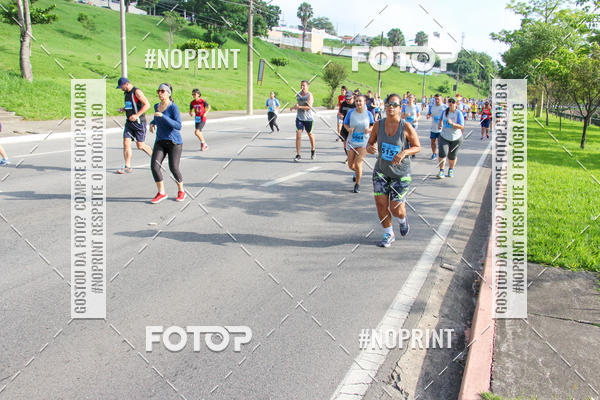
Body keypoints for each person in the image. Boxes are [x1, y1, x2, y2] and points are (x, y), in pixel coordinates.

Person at [367, 94, 421, 247]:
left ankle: (402, 220)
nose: (391, 107)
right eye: (388, 104)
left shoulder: (406, 126)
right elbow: (370, 143)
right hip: (381, 171)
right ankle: (388, 233)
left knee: (396, 208)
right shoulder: (378, 125)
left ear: (400, 108)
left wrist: (404, 152)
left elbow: (417, 146)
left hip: (400, 173)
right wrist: (369, 147)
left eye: (395, 105)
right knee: (381, 204)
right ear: (384, 106)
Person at [148, 83, 186, 204]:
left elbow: (178, 125)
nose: (160, 93)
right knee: (154, 166)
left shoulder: (173, 107)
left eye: (162, 91)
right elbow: (157, 118)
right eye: (158, 91)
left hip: (174, 142)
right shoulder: (156, 106)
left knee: (173, 168)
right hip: (160, 141)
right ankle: (161, 192)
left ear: (168, 93)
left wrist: (163, 117)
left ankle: (181, 191)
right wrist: (152, 123)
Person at [116, 77, 153, 174]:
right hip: (129, 123)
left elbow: (147, 105)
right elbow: (132, 105)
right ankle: (127, 166)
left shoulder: (137, 92)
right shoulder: (126, 93)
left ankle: (155, 159)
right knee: (126, 142)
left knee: (140, 146)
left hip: (139, 123)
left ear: (126, 84)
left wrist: (137, 115)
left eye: (121, 87)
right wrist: (124, 109)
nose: (121, 89)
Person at [344, 94, 375, 193]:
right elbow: (345, 123)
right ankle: (359, 171)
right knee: (351, 165)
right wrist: (348, 129)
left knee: (358, 164)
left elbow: (373, 125)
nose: (358, 103)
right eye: (356, 101)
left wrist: (369, 130)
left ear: (364, 102)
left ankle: (357, 184)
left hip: (363, 142)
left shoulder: (369, 114)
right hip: (351, 141)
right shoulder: (351, 113)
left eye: (360, 101)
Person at [436, 97, 465, 179]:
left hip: (456, 138)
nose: (451, 103)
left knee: (452, 156)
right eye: (450, 102)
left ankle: (451, 169)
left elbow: (462, 126)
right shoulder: (444, 112)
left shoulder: (458, 113)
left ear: (456, 104)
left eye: (453, 102)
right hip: (444, 136)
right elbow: (441, 119)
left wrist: (452, 124)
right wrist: (439, 124)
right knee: (442, 153)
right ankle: (441, 171)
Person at [290, 80, 315, 161]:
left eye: (304, 85)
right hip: (299, 118)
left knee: (310, 134)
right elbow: (298, 104)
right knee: (298, 135)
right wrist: (294, 107)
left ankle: (313, 149)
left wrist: (299, 107)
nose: (302, 87)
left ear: (308, 86)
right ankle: (298, 155)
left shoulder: (309, 95)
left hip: (308, 118)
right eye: (301, 85)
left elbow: (309, 107)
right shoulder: (299, 94)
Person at [426, 94, 447, 160]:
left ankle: (441, 154)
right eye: (435, 99)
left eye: (438, 99)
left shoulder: (445, 107)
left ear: (441, 99)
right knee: (433, 142)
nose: (437, 100)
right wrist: (428, 115)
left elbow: (448, 116)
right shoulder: (432, 106)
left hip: (442, 128)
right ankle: (434, 153)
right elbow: (429, 113)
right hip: (433, 127)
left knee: (440, 142)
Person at [338, 92, 356, 163]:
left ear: (353, 97)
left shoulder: (356, 105)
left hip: (354, 126)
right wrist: (340, 115)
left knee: (352, 143)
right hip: (345, 125)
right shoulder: (343, 103)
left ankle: (354, 156)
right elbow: (340, 112)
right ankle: (349, 157)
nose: (348, 101)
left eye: (349, 99)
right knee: (345, 143)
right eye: (346, 99)